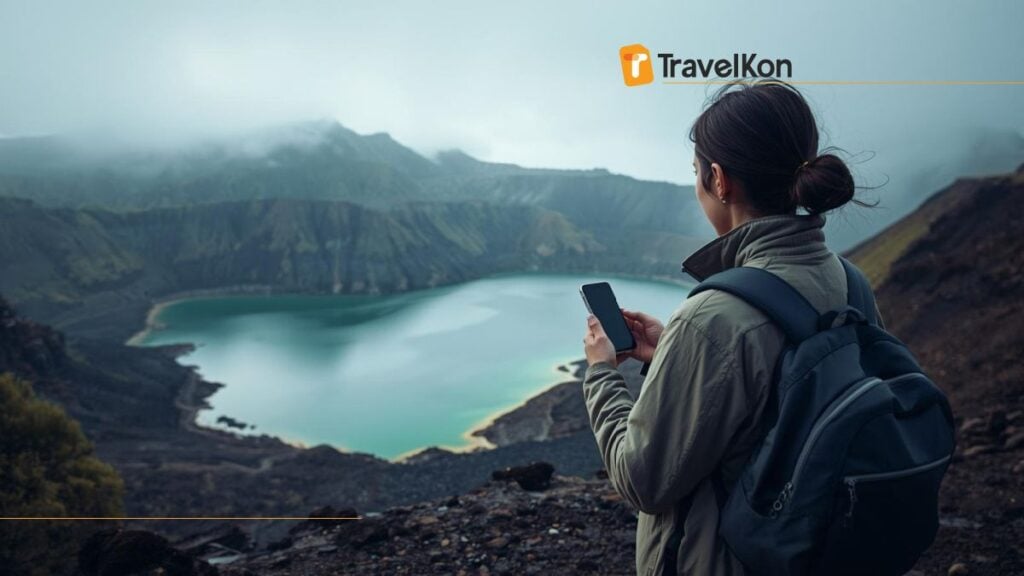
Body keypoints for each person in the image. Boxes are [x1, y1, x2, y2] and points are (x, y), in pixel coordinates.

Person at [581, 78, 884, 576]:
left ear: (719, 180)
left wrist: (601, 374)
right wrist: (672, 353)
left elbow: (641, 481)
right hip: (825, 552)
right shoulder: (851, 282)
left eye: (696, 173)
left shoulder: (713, 318)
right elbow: (780, 395)